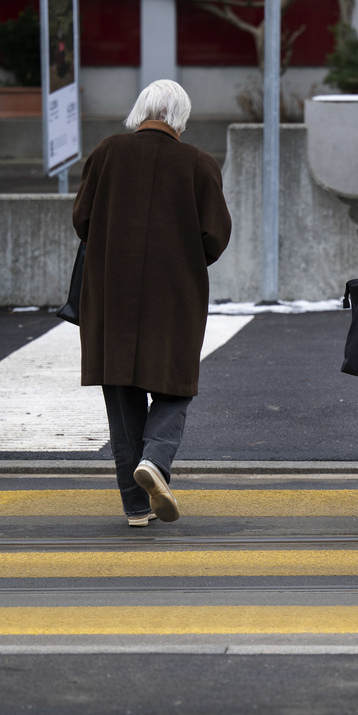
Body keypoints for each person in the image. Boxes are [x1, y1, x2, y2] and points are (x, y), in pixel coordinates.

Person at [72, 80, 231, 528]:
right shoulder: (199, 164)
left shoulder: (106, 152)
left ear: (141, 110)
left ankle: (136, 507)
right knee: (175, 384)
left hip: (110, 294)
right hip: (174, 294)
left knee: (121, 394)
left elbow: (82, 219)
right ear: (181, 118)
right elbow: (215, 236)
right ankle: (156, 462)